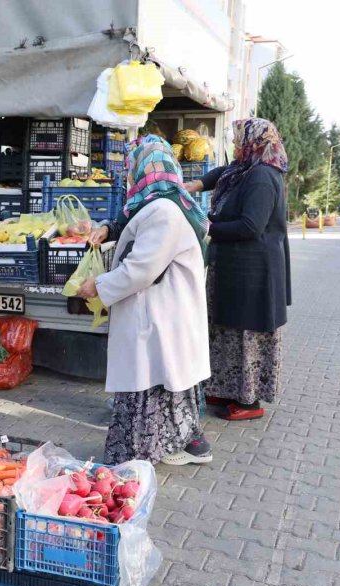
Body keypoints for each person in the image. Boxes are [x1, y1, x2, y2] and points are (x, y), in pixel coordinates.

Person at [83, 135, 212, 466]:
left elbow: (142, 269)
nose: (128, 177)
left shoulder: (163, 211)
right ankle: (174, 444)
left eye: (131, 169)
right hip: (165, 315)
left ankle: (143, 454)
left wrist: (97, 285)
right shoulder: (166, 203)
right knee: (166, 383)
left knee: (153, 381)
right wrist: (109, 229)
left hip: (159, 317)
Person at [188, 118, 291, 421]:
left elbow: (250, 226)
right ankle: (225, 389)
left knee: (246, 336)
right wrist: (198, 184)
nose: (234, 147)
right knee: (226, 332)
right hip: (235, 271)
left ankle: (248, 402)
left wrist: (209, 227)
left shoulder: (261, 176)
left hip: (254, 275)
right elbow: (223, 172)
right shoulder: (245, 169)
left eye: (237, 142)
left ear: (253, 144)